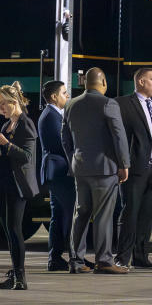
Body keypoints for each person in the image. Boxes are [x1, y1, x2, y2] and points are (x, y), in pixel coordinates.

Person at [61, 67, 131, 274]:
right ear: (103, 82)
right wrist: (124, 164)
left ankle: (76, 261)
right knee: (103, 215)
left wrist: (73, 159)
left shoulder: (70, 104)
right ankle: (104, 260)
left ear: (84, 83)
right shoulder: (109, 103)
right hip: (105, 168)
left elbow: (64, 138)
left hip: (80, 168)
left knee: (80, 213)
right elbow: (119, 136)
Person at [114, 67, 152, 270]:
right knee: (130, 212)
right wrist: (122, 164)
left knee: (147, 215)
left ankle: (141, 257)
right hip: (134, 168)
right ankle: (122, 257)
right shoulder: (122, 104)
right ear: (141, 81)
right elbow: (117, 136)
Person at [0, 82, 40, 290]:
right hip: (3, 181)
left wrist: (6, 144)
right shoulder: (5, 126)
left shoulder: (26, 124)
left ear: (13, 101)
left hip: (18, 184)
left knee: (15, 230)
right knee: (8, 230)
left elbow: (27, 156)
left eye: (3, 104)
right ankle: (15, 272)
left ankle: (20, 277)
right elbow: (0, 158)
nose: (1, 109)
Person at [37, 80, 75, 272]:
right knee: (70, 214)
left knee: (58, 216)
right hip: (60, 173)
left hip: (56, 173)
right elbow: (63, 145)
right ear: (54, 96)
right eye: (64, 93)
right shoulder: (51, 116)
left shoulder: (53, 115)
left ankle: (56, 258)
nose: (67, 96)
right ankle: (76, 258)